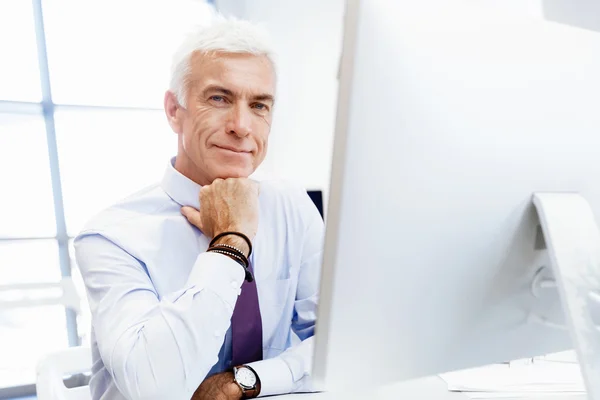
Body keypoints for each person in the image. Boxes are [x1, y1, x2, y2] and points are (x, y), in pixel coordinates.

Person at [74, 17, 324, 400]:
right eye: (219, 98)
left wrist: (247, 380)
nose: (242, 126)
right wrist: (231, 242)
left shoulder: (291, 206)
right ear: (174, 110)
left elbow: (337, 344)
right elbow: (154, 386)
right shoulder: (112, 235)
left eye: (259, 105)